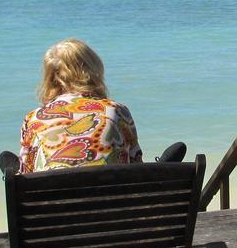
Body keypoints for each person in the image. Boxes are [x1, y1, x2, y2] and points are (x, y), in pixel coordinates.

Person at [17, 38, 144, 173]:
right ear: (94, 70)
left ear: (50, 77)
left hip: (53, 193)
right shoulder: (117, 111)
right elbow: (137, 168)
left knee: (8, 161)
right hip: (109, 192)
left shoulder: (33, 119)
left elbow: (26, 173)